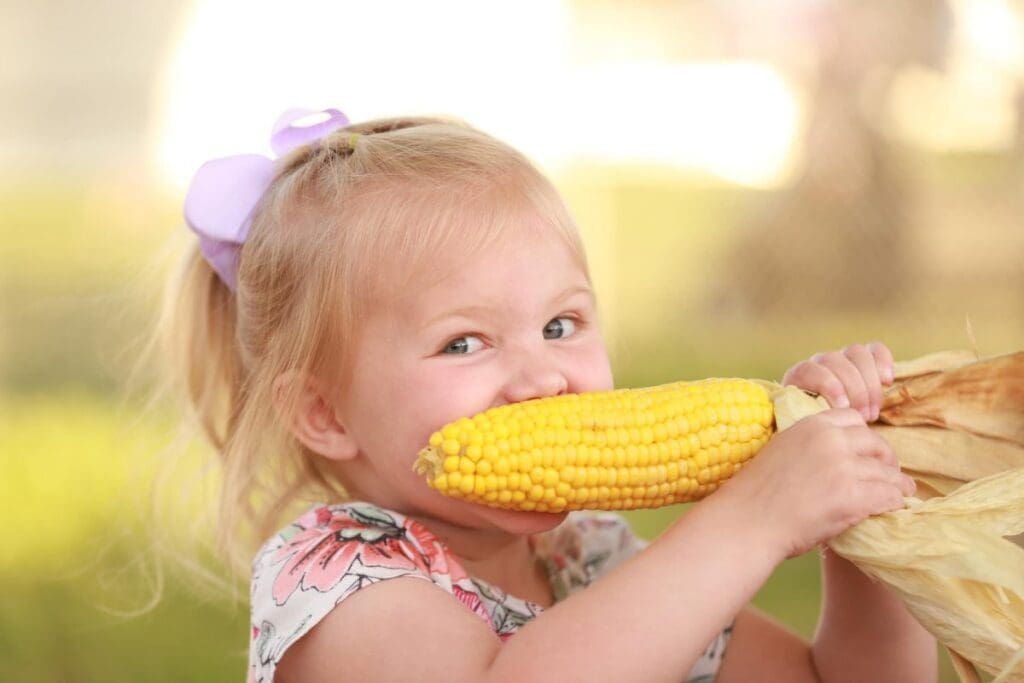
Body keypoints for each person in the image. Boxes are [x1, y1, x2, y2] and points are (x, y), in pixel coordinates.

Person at [167, 107, 937, 682]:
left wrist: (860, 506)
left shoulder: (584, 554)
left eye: (561, 323)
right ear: (325, 413)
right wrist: (749, 521)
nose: (542, 378)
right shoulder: (346, 584)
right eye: (463, 342)